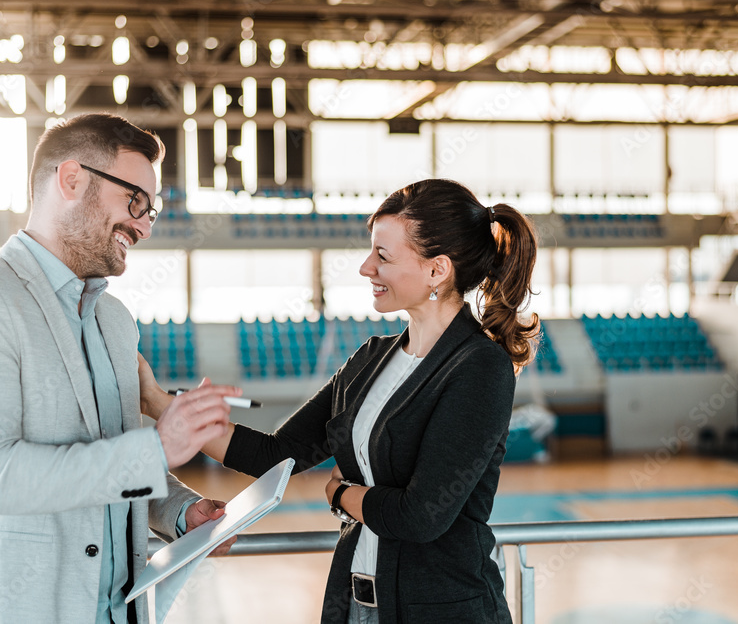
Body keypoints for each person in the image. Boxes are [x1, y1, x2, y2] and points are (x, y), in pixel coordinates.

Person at [140, 178, 539, 623]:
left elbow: (421, 517)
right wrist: (156, 402)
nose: (366, 268)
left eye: (383, 256)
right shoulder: (370, 359)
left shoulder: (479, 367)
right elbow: (275, 454)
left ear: (437, 270)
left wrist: (342, 494)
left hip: (442, 609)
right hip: (356, 603)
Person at [0, 113, 241, 624]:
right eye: (135, 201)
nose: (143, 225)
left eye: (150, 210)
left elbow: (109, 463)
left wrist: (178, 510)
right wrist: (157, 447)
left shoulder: (114, 321)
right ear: (72, 180)